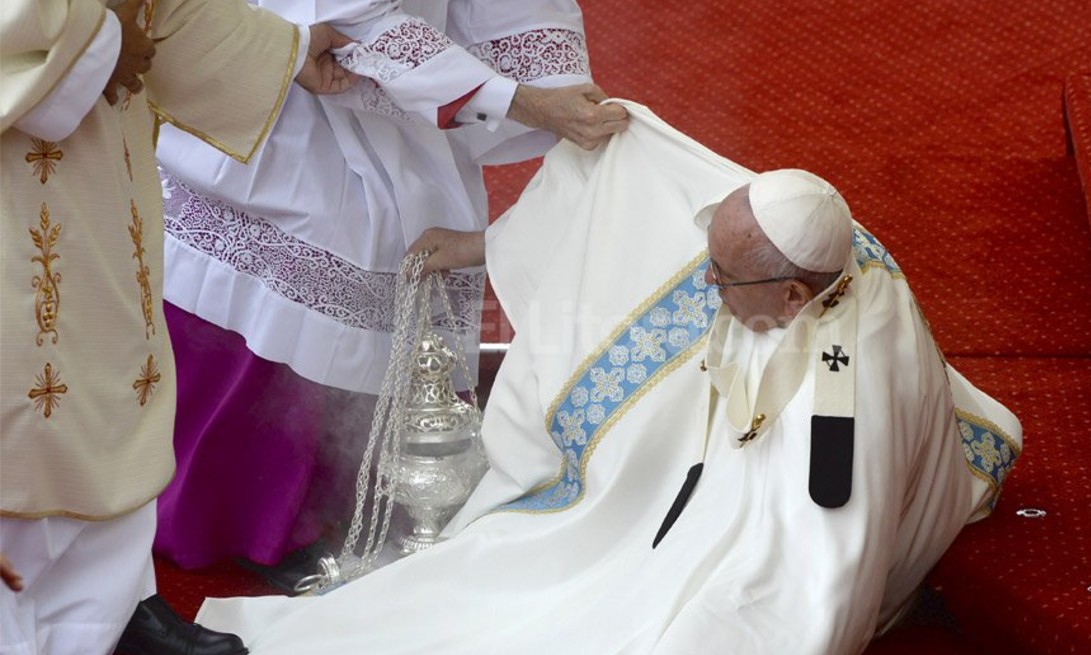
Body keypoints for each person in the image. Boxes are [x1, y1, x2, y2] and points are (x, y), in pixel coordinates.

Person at [193, 101, 1021, 654]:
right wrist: (483, 244)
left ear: (796, 296)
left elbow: (822, 573)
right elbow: (644, 204)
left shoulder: (843, 397)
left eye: (724, 281)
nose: (705, 287)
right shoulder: (795, 229)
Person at [151, 0, 630, 586]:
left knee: (406, 241)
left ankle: (351, 504)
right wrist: (521, 101)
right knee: (324, 243)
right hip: (292, 80)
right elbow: (351, 18)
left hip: (415, 93)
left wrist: (558, 90)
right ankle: (243, 516)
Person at [0, 1, 355, 654]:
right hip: (20, 158)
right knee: (28, 396)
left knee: (105, 375)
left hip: (100, 154)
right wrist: (94, 41)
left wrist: (284, 51)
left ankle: (108, 611)